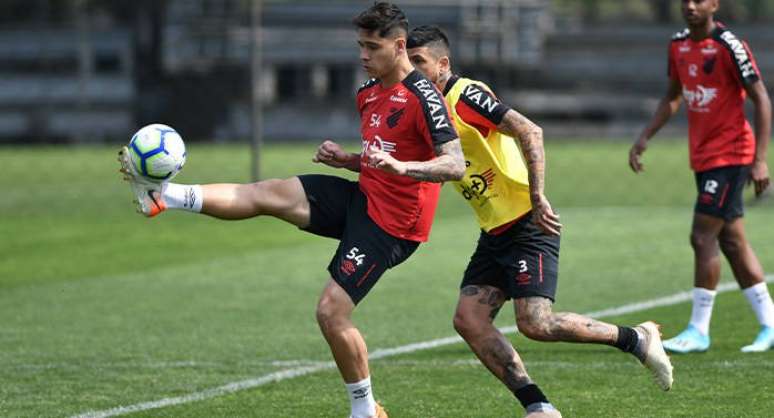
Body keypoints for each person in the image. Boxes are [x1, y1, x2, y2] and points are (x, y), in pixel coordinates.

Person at [119, 3, 465, 418]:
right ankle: (164, 196)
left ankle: (365, 410)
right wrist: (350, 160)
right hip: (365, 198)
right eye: (360, 46)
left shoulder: (423, 97)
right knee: (270, 193)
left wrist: (401, 168)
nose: (362, 56)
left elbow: (454, 165)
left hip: (393, 225)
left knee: (331, 312)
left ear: (399, 46)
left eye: (372, 47)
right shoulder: (368, 92)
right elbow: (385, 154)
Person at [401, 25, 673, 418]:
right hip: (494, 229)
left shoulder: (465, 95)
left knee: (536, 323)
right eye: (406, 61)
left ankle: (635, 338)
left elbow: (531, 129)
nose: (411, 69)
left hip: (527, 222)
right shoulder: (425, 107)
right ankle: (539, 407)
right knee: (469, 320)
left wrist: (537, 194)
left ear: (443, 64)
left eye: (419, 62)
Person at [629, 0, 773, 354]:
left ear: (715, 4)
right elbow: (673, 96)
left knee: (701, 235)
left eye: (700, 0)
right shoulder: (678, 44)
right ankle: (770, 323)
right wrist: (645, 136)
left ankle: (698, 330)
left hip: (732, 153)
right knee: (732, 242)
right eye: (686, 1)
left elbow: (761, 99)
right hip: (704, 156)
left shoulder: (730, 45)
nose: (691, 6)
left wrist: (760, 160)